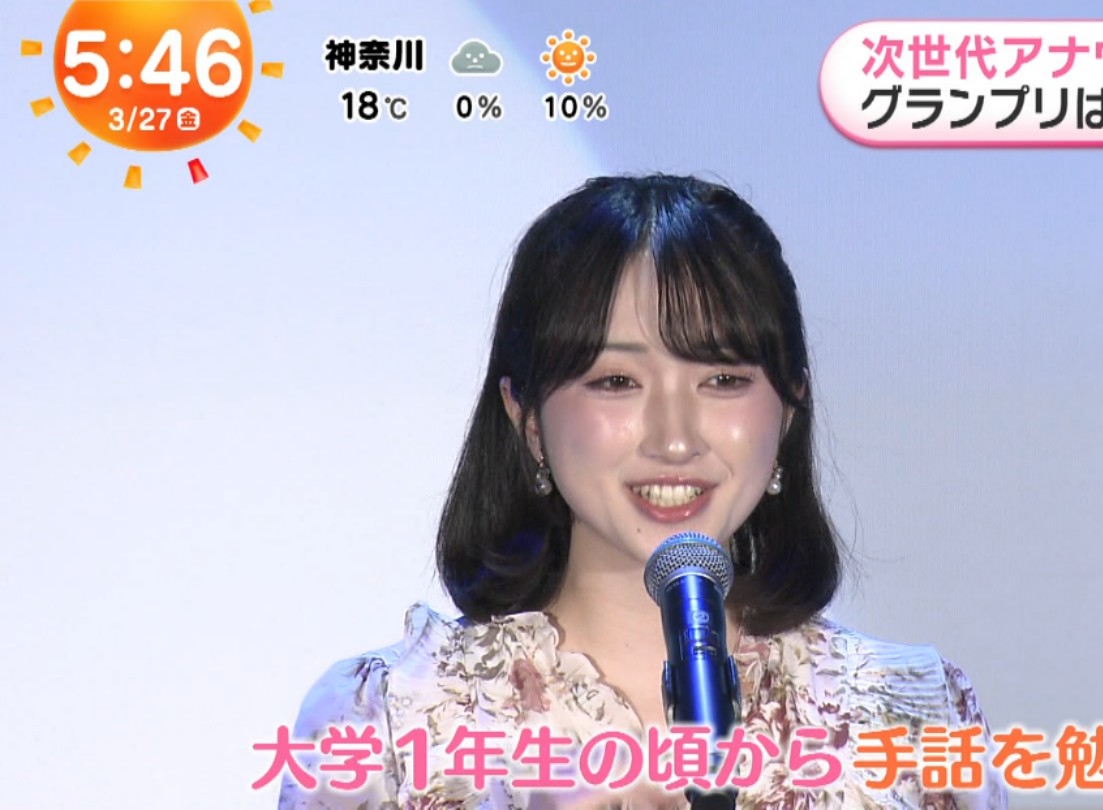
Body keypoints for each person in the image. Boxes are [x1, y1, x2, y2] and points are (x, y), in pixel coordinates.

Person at [278, 174, 1007, 809]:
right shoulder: (387, 724)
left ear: (787, 410)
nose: (674, 438)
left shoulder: (913, 718)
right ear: (528, 420)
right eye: (617, 381)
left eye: (723, 379)